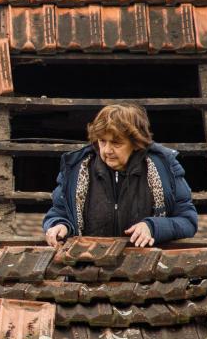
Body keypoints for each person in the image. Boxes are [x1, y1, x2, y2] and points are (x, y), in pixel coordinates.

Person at [43, 103, 198, 248]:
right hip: (87, 268)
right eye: (102, 141)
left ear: (136, 143)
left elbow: (187, 221)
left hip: (146, 269)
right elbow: (58, 213)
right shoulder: (76, 169)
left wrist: (152, 227)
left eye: (116, 143)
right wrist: (60, 225)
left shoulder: (165, 167)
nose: (107, 150)